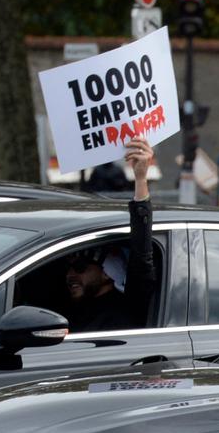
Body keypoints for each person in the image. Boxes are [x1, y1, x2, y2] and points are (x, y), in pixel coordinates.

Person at [62, 138, 156, 333]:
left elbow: (142, 257)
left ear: (108, 272)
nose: (70, 275)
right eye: (69, 268)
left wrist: (140, 179)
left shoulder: (126, 311)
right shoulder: (70, 308)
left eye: (80, 267)